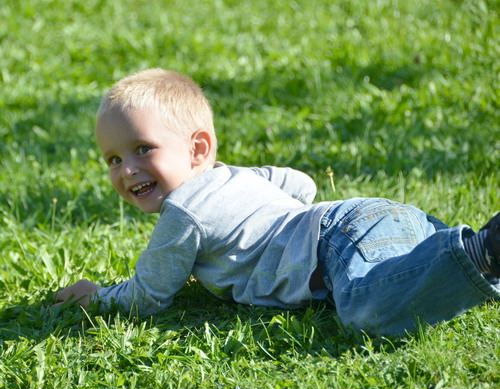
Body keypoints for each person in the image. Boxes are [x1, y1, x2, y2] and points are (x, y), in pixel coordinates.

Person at [55, 68, 500, 336]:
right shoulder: (239, 177)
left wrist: (99, 297)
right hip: (372, 215)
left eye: (142, 149)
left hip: (339, 243)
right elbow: (301, 184)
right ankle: (481, 256)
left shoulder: (184, 212)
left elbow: (149, 293)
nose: (127, 169)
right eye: (113, 158)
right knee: (418, 277)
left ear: (197, 149)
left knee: (368, 310)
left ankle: (482, 250)